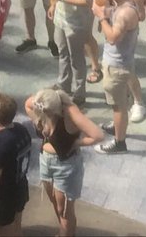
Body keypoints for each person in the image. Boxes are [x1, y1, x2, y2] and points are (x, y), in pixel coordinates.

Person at [24, 87, 104, 237]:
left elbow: (98, 135)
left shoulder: (69, 112)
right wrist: (36, 118)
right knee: (55, 202)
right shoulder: (41, 107)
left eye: (47, 114)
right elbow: (28, 104)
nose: (43, 117)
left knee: (65, 210)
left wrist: (76, 143)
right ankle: (63, 231)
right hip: (45, 160)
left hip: (65, 165)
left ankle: (66, 233)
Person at [94, 0, 140, 154]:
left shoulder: (125, 13)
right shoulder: (119, 5)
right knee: (119, 103)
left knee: (118, 106)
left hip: (117, 66)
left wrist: (101, 18)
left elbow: (112, 38)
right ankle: (117, 127)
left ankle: (119, 142)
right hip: (116, 62)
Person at [51, 0, 94, 106]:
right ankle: (64, 85)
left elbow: (87, 1)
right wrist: (54, 5)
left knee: (76, 58)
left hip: (76, 23)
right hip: (61, 17)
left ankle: (79, 92)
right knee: (63, 53)